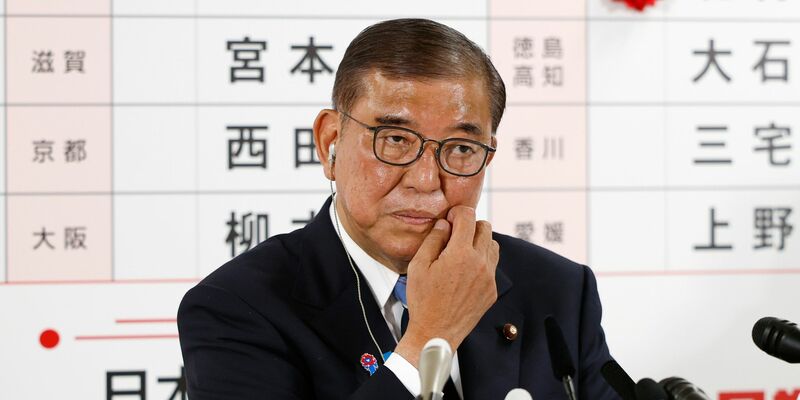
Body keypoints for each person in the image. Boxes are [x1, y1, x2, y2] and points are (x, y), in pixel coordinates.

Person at [178, 18, 620, 399]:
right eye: (395, 140)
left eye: (461, 148)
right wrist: (431, 336)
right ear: (331, 142)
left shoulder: (557, 289)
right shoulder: (237, 307)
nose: (426, 180)